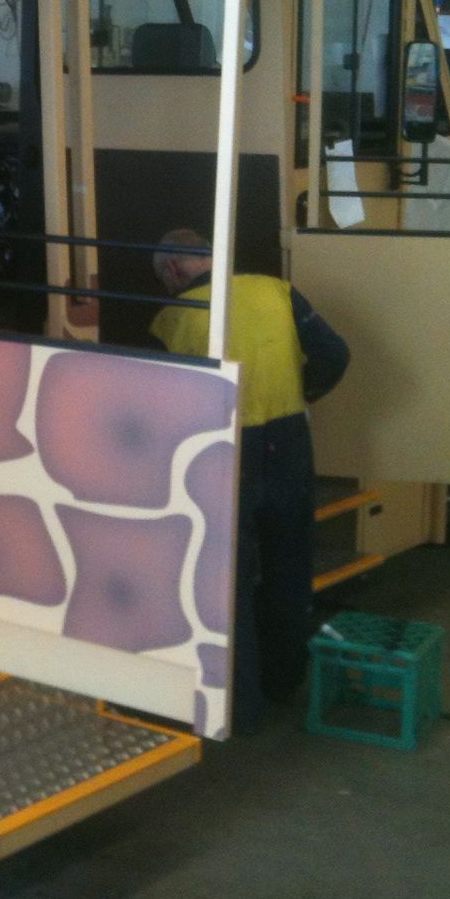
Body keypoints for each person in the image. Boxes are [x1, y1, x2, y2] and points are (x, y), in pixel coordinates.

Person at [150, 228, 350, 734]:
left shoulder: (171, 320)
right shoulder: (277, 291)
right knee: (288, 567)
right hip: (287, 445)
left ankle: (238, 707)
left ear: (173, 272)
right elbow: (335, 354)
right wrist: (304, 392)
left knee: (226, 578)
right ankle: (284, 683)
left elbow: (164, 405)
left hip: (221, 450)